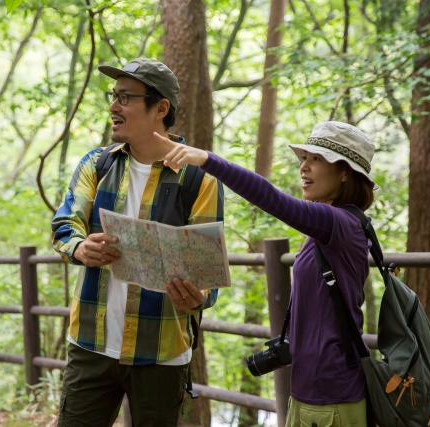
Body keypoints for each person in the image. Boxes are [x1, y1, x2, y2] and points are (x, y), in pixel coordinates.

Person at [156, 121, 377, 426]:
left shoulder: (340, 223)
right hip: (310, 389)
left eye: (317, 160)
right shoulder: (326, 228)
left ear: (344, 173)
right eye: (304, 158)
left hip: (333, 393)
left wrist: (207, 160)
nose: (304, 168)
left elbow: (273, 199)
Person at [51, 58, 224, 427]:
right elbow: (65, 224)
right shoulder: (97, 164)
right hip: (90, 344)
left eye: (126, 97)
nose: (114, 106)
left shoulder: (199, 179)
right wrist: (81, 248)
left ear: (160, 108)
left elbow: (207, 272)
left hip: (162, 349)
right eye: (113, 96)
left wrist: (201, 295)